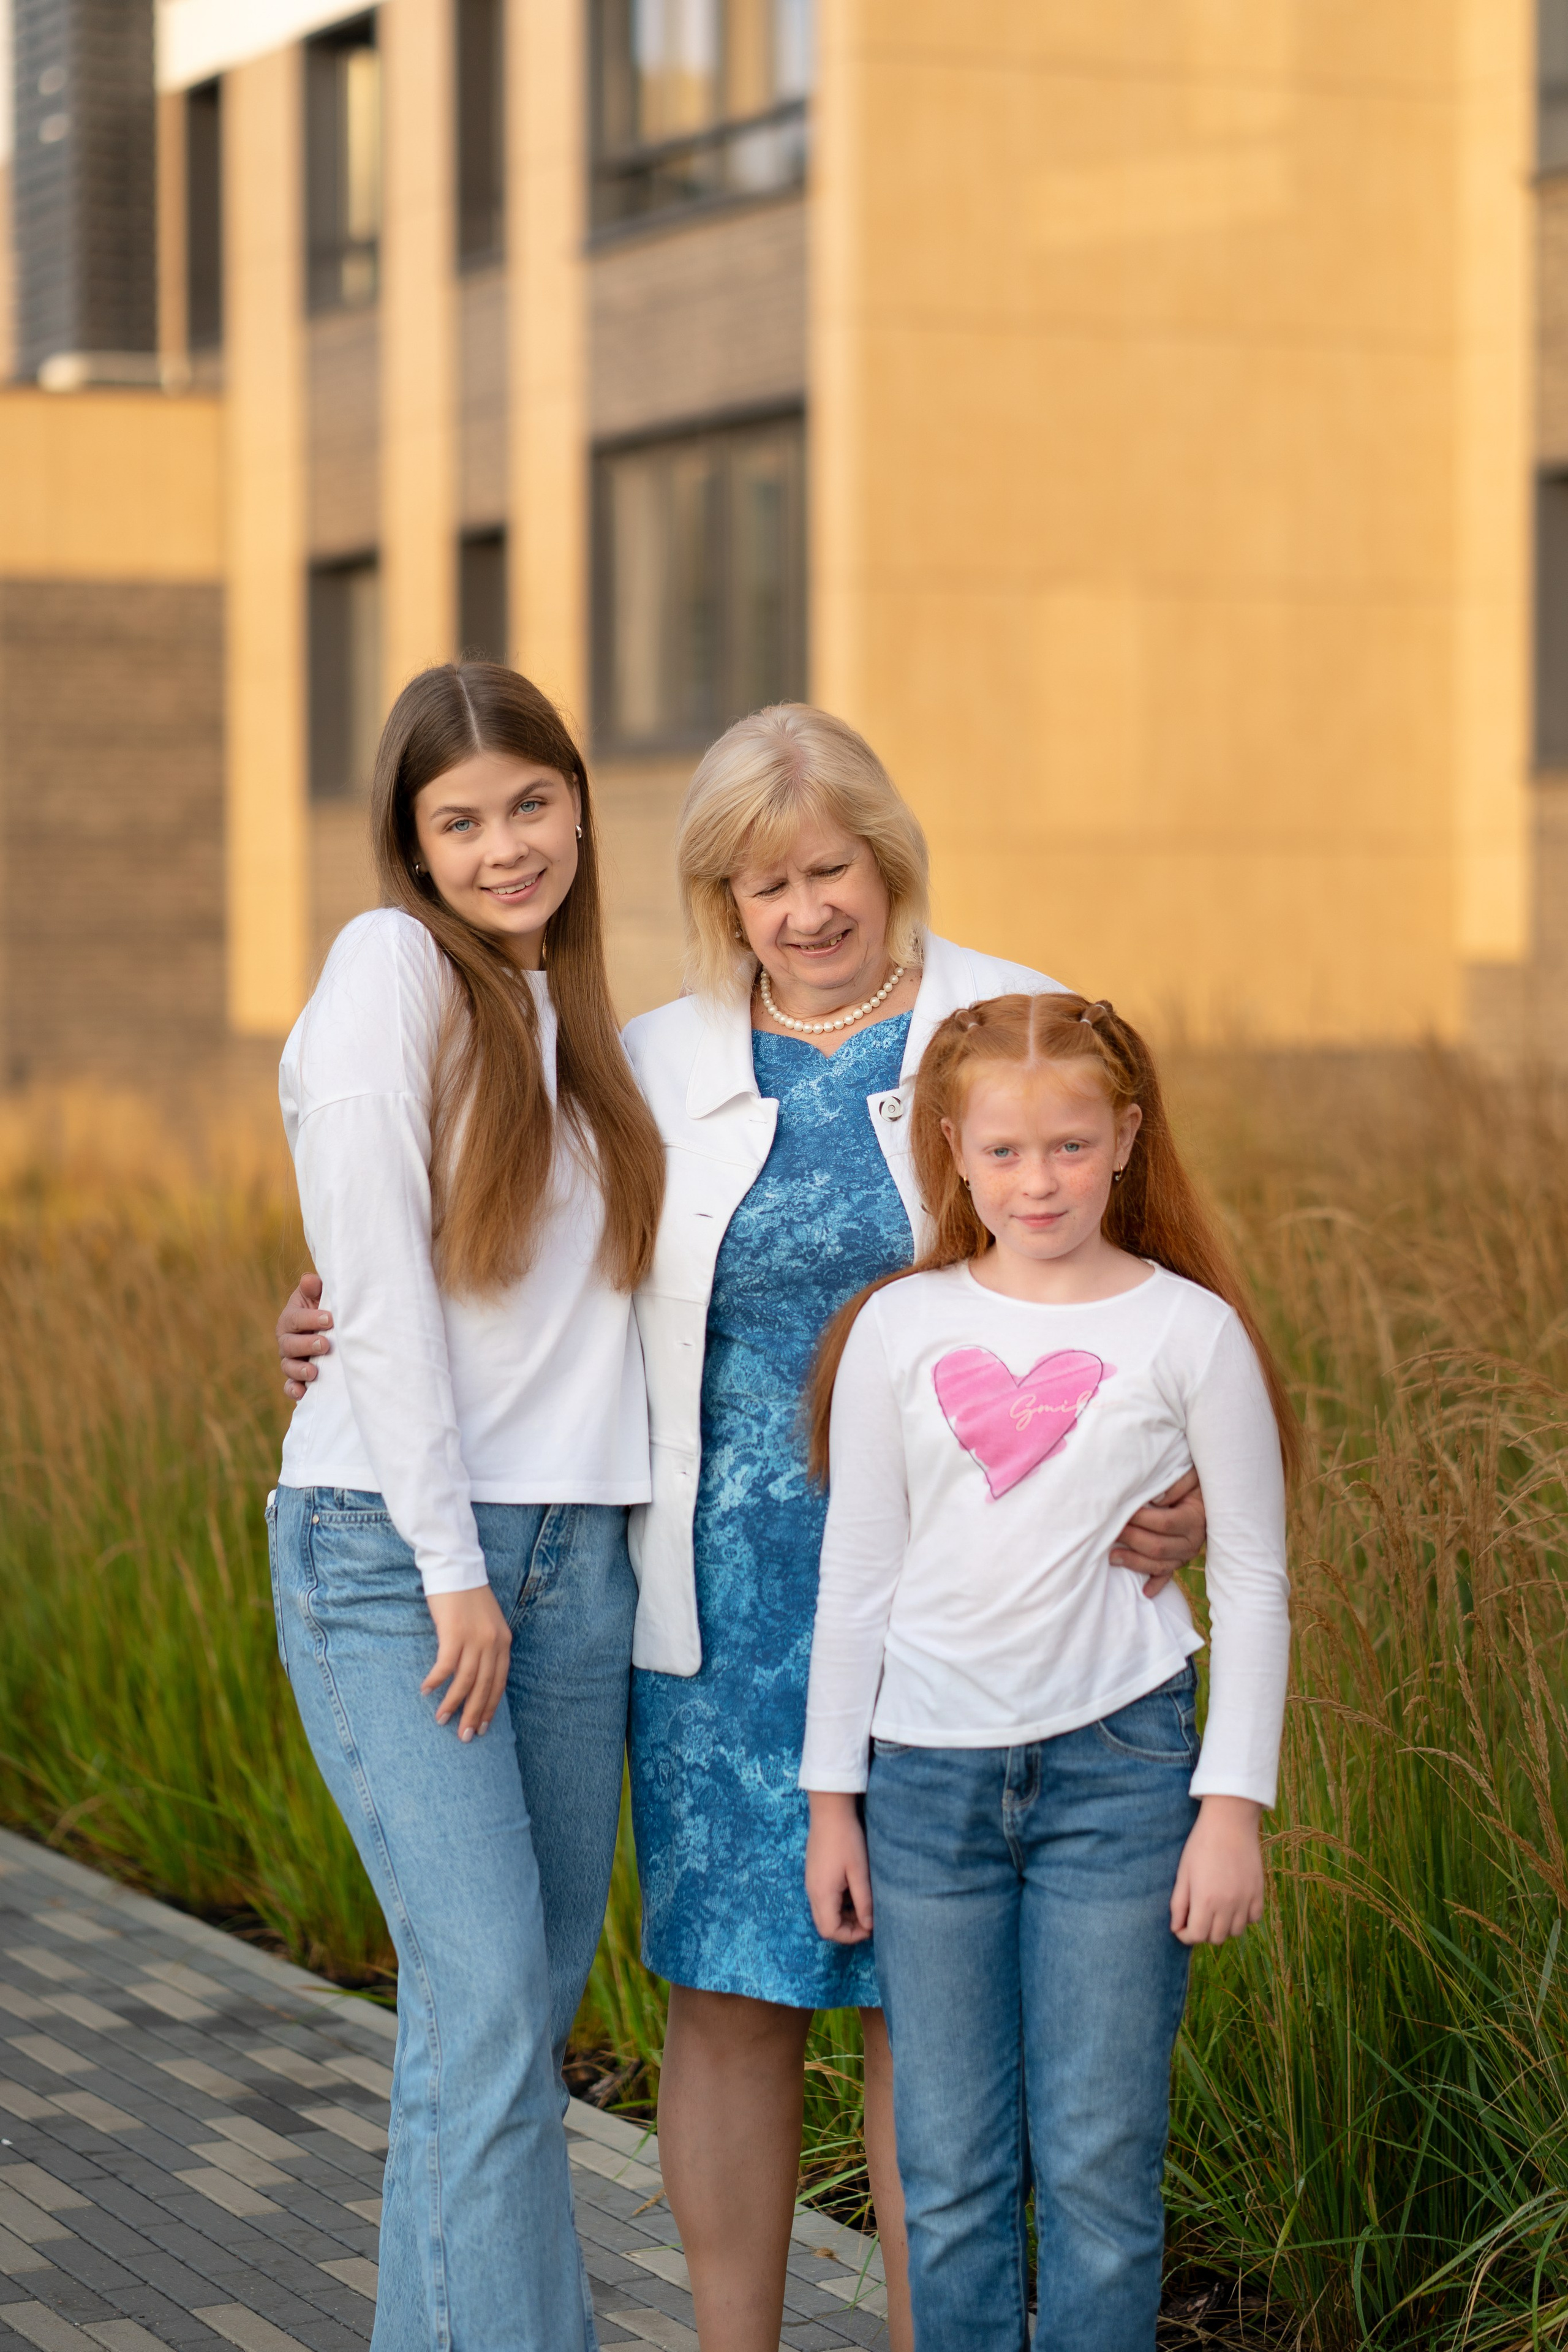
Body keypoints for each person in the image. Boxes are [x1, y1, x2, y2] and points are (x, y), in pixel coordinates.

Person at [279, 703, 1208, 2352]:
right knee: (729, 1997)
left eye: (833, 869)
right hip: (715, 1609)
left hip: (965, 1602)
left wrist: (1184, 1472)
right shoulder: (650, 1059)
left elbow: (1151, 1274)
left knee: (937, 2013)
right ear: (719, 896)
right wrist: (326, 1316)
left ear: (889, 862)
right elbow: (494, 1245)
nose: (806, 911)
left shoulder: (1012, 1019)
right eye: (764, 883)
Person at [800, 990, 1296, 2352]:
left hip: (1121, 1782)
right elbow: (856, 1578)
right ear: (950, 1150)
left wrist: (1230, 1805)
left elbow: (1250, 1576)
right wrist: (831, 1800)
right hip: (923, 1794)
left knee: (1095, 2168)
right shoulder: (896, 1331)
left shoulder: (1187, 1331)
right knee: (949, 2172)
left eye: (1070, 1147)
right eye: (1006, 1151)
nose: (1039, 1180)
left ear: (1126, 1138)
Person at [267, 662, 665, 2352]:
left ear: (577, 804)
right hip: (407, 1563)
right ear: (410, 846)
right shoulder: (388, 972)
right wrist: (451, 1572)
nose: (506, 846)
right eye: (462, 819)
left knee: (498, 2026)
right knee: (494, 2011)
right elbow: (378, 1289)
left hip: (578, 1562)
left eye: (530, 803)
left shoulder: (586, 1031)